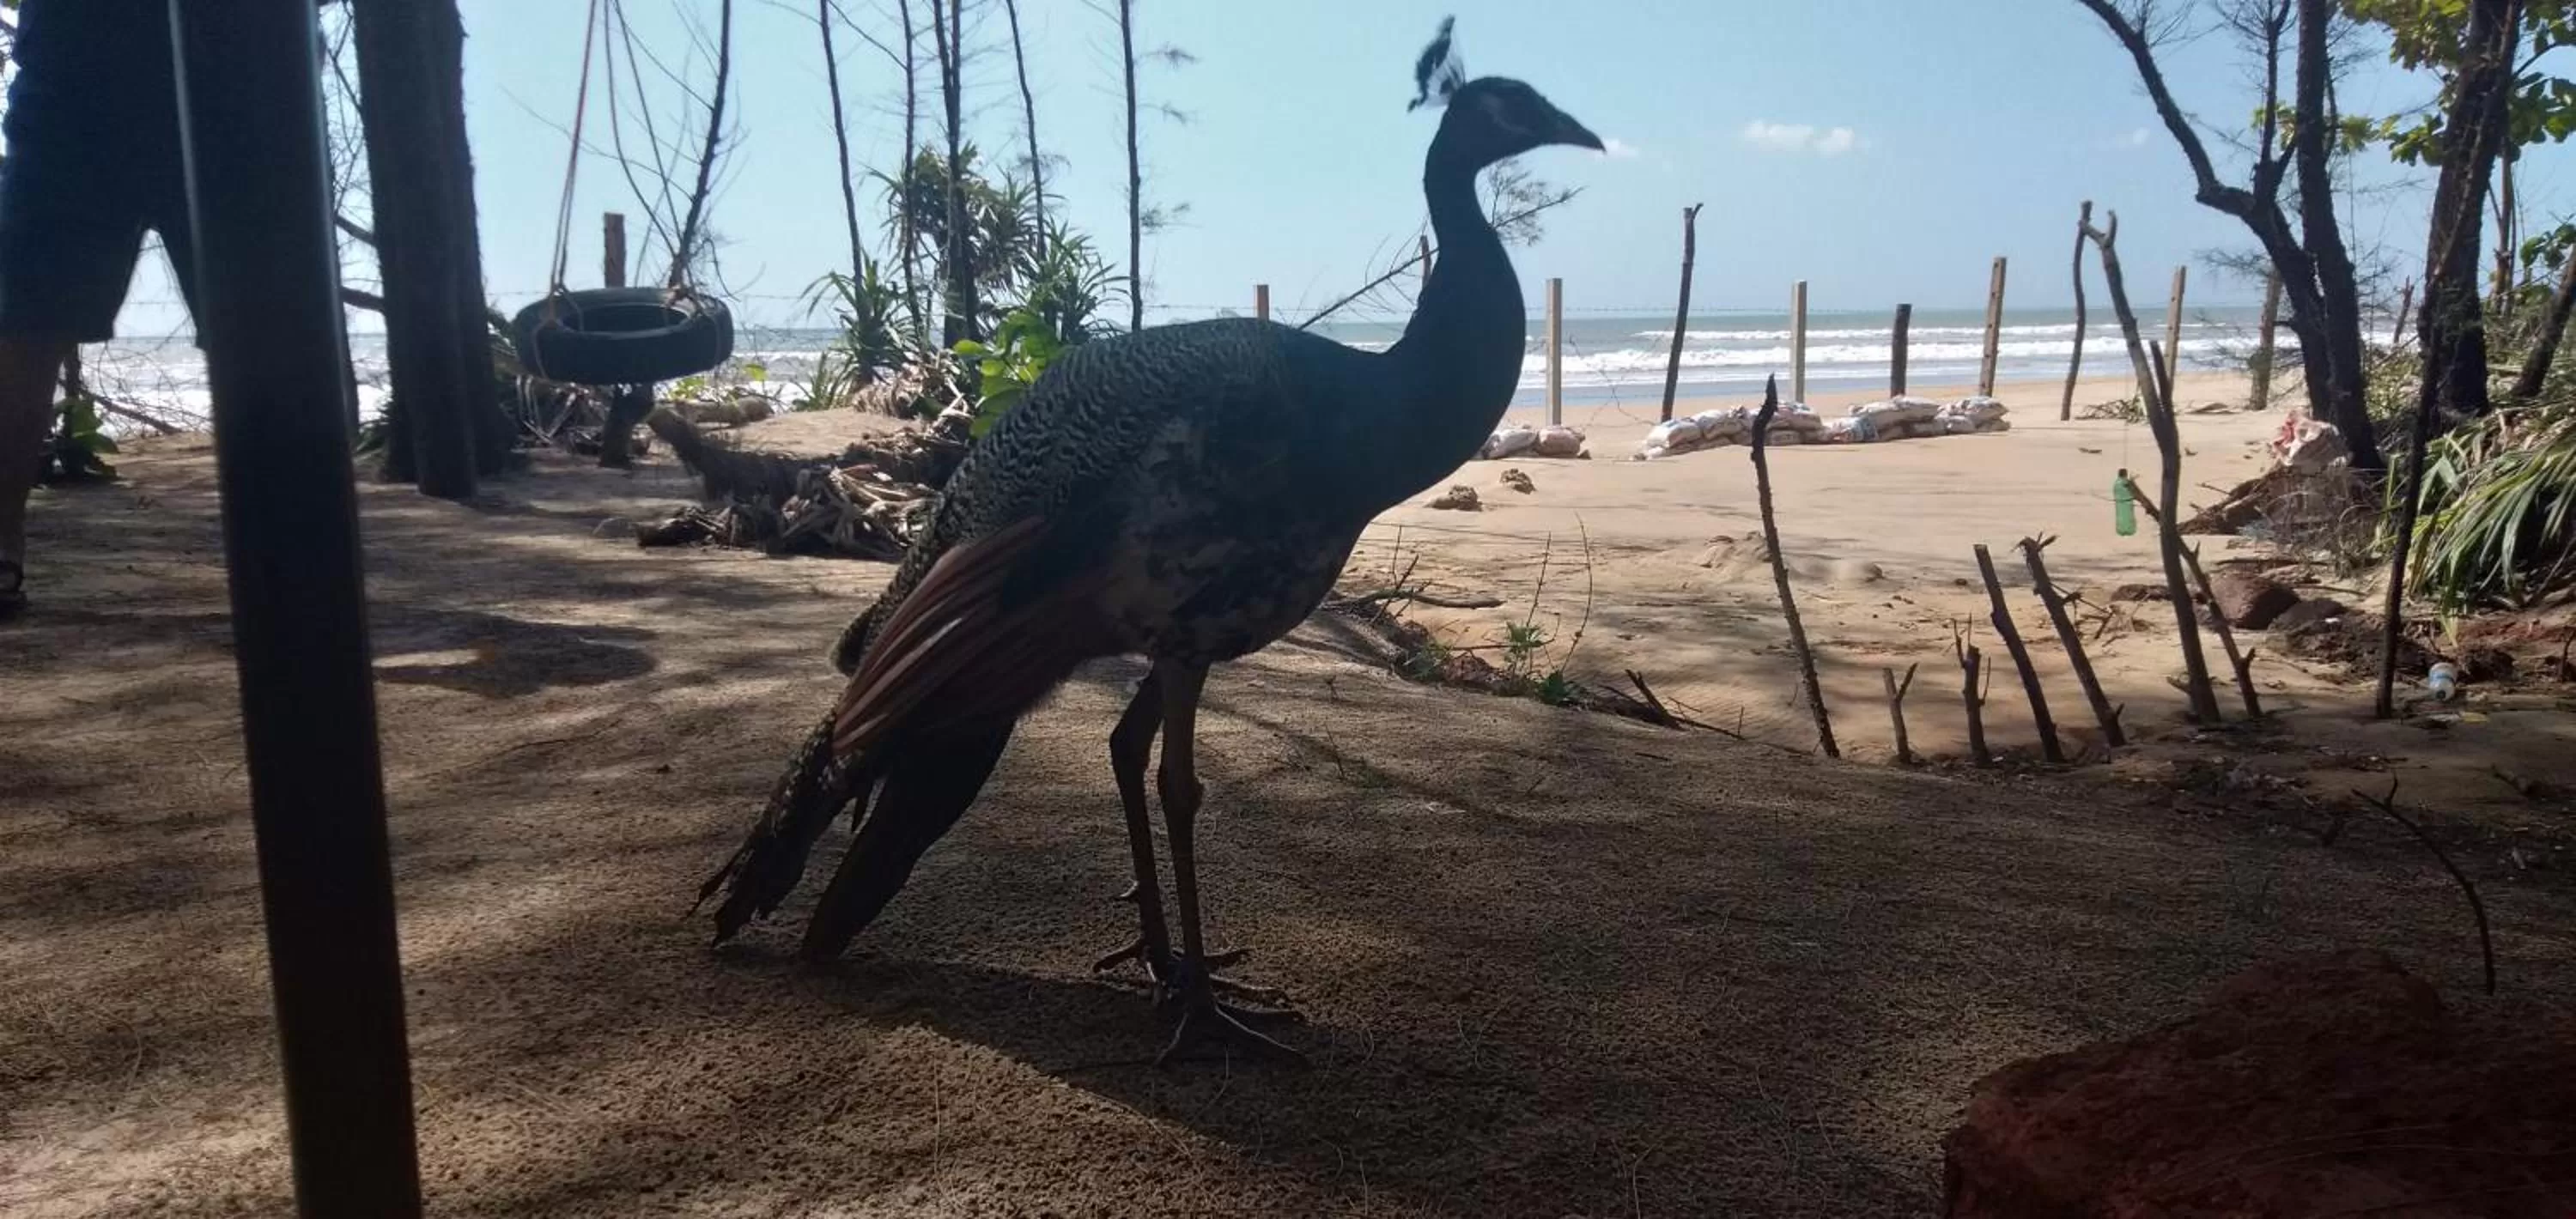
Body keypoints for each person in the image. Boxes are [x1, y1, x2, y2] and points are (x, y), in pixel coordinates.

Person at [0, 0, 200, 619]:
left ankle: (298, 544)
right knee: (22, 326)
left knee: (271, 329)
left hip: (234, 82)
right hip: (71, 86)